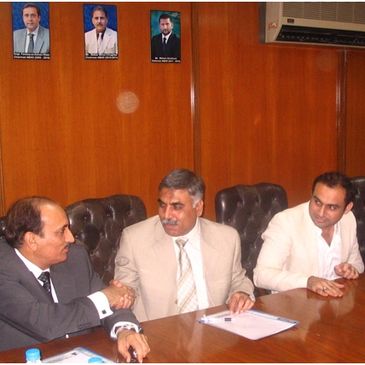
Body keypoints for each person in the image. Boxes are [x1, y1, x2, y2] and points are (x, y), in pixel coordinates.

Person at [0, 196, 150, 362]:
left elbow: (109, 304)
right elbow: (45, 323)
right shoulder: (3, 269)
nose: (70, 238)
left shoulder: (74, 256)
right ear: (32, 240)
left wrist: (125, 329)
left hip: (85, 354)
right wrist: (105, 298)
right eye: (61, 231)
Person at [114, 168, 254, 322]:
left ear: (198, 208)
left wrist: (241, 293)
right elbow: (125, 291)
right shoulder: (135, 239)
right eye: (162, 205)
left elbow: (238, 280)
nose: (166, 215)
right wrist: (123, 295)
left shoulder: (226, 238)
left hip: (215, 332)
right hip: (158, 335)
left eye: (177, 207)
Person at [254, 171, 364, 297]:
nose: (321, 213)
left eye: (332, 207)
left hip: (338, 302)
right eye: (317, 202)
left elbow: (358, 265)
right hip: (295, 304)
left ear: (347, 208)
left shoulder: (348, 219)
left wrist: (351, 269)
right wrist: (307, 281)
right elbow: (261, 275)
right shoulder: (286, 222)